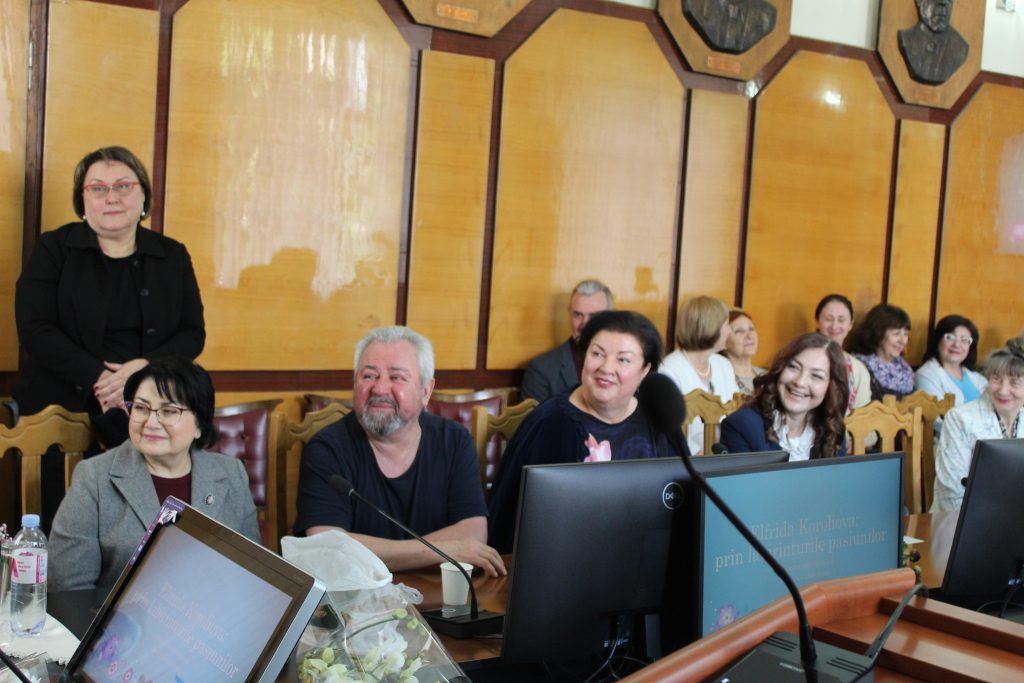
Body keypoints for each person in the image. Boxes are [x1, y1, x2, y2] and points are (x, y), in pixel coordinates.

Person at [14, 146, 205, 443]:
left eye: (123, 186)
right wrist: (104, 381)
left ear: (144, 195)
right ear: (83, 200)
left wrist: (144, 368)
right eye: (98, 188)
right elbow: (34, 329)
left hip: (152, 410)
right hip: (59, 413)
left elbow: (192, 334)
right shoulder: (53, 249)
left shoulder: (172, 255)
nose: (111, 197)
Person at [294, 326, 505, 576]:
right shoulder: (327, 449)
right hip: (358, 597)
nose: (380, 389)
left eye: (397, 377)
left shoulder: (454, 441)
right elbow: (327, 549)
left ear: (426, 391)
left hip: (441, 592)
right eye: (369, 376)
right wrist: (445, 550)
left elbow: (474, 533)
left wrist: (381, 553)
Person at [48, 357, 259, 593]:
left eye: (168, 411)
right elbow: (67, 587)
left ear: (199, 424)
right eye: (141, 408)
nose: (151, 422)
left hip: (215, 613)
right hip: (120, 616)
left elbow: (253, 573)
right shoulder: (94, 477)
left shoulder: (231, 473)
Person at [488, 310, 675, 553]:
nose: (606, 368)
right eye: (597, 354)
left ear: (644, 371)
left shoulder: (657, 421)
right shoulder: (551, 422)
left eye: (623, 360)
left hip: (644, 556)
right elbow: (520, 520)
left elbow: (676, 503)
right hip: (565, 557)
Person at [720, 333, 848, 460]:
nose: (800, 382)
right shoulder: (741, 426)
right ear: (780, 369)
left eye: (816, 376)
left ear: (831, 387)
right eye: (793, 367)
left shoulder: (832, 432)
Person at [932, 338, 1024, 512]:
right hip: (963, 519)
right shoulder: (960, 419)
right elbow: (951, 494)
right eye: (996, 379)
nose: (1003, 390)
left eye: (1014, 382)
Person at [659, 296, 740, 454]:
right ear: (711, 326)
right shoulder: (669, 369)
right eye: (726, 325)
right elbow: (668, 431)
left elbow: (735, 413)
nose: (729, 331)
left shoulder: (723, 364)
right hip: (686, 458)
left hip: (726, 454)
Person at [520, 279, 613, 403]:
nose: (585, 325)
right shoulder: (541, 370)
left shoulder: (627, 366)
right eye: (578, 315)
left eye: (594, 316)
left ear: (611, 318)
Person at [815, 294, 872, 412]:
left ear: (850, 325)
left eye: (841, 320)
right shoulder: (804, 358)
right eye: (828, 319)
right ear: (817, 322)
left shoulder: (858, 369)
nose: (834, 326)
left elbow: (862, 415)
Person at [846, 303, 914, 400]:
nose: (903, 341)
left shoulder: (905, 369)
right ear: (878, 334)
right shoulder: (860, 368)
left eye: (906, 334)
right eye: (896, 334)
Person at [915, 315, 986, 406]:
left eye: (965, 340)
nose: (957, 345)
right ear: (938, 340)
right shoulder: (925, 375)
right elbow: (938, 414)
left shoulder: (977, 378)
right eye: (950, 337)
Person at [721, 308, 764, 395]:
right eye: (739, 331)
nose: (749, 336)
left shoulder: (768, 376)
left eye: (751, 329)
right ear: (722, 341)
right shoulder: (719, 379)